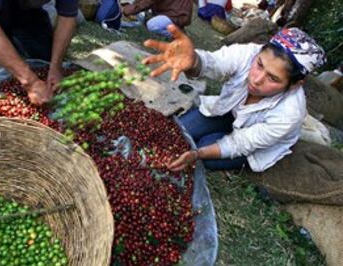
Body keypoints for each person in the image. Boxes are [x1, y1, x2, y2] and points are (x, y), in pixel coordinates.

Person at [142, 25, 326, 172]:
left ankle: (213, 142)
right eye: (259, 65)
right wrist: (193, 61)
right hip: (231, 112)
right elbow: (213, 63)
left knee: (206, 155)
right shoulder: (247, 54)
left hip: (255, 138)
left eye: (273, 78)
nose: (257, 79)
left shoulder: (289, 114)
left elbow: (240, 144)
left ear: (294, 84)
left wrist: (197, 154)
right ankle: (217, 132)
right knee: (181, 130)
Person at [0, 0, 78, 105]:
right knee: (2, 74)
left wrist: (56, 66)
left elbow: (67, 19)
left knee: (42, 56)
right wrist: (30, 82)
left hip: (27, 7)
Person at [121, 0, 193, 38]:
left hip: (176, 15)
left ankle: (179, 34)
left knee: (152, 25)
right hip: (171, 11)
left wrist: (126, 11)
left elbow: (146, 3)